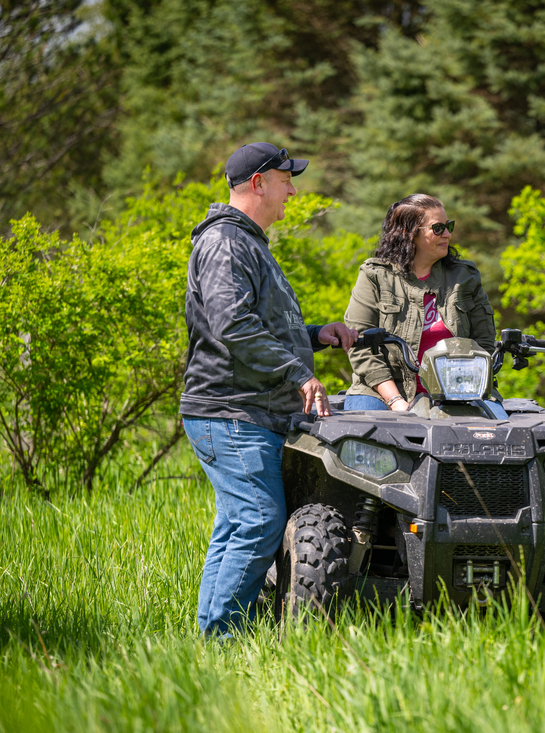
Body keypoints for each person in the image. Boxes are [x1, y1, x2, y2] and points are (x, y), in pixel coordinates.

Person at [180, 142, 358, 636]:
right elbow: (231, 326)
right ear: (258, 183)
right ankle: (222, 641)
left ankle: (213, 637)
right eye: (285, 180)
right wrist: (299, 373)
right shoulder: (225, 244)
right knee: (259, 519)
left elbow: (261, 328)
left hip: (242, 410)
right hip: (232, 411)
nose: (292, 190)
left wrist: (314, 337)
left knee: (239, 524)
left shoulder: (248, 243)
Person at [343, 194, 500, 414]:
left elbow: (484, 343)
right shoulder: (375, 275)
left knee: (495, 435)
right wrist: (395, 400)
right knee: (366, 436)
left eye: (449, 226)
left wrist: (462, 389)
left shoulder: (464, 277)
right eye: (438, 228)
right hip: (381, 391)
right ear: (408, 234)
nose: (447, 234)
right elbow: (359, 346)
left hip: (459, 392)